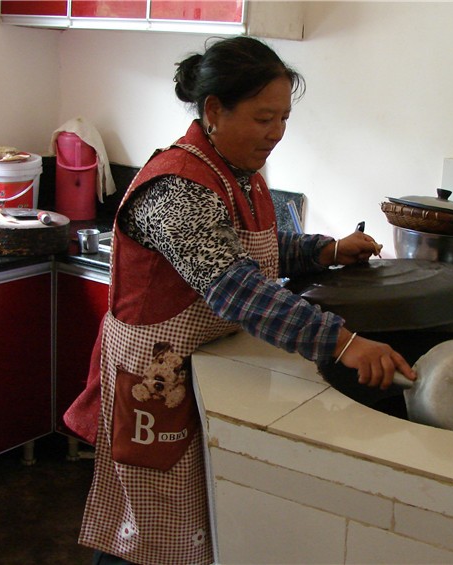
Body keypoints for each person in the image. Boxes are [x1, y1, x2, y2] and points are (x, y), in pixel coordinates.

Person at [64, 35, 415, 565]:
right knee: (145, 531)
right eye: (263, 118)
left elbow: (255, 248)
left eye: (283, 119)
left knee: (195, 522)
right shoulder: (176, 188)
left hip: (204, 368)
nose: (276, 133)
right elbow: (235, 285)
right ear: (213, 110)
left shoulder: (239, 175)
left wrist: (326, 250)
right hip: (155, 379)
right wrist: (342, 343)